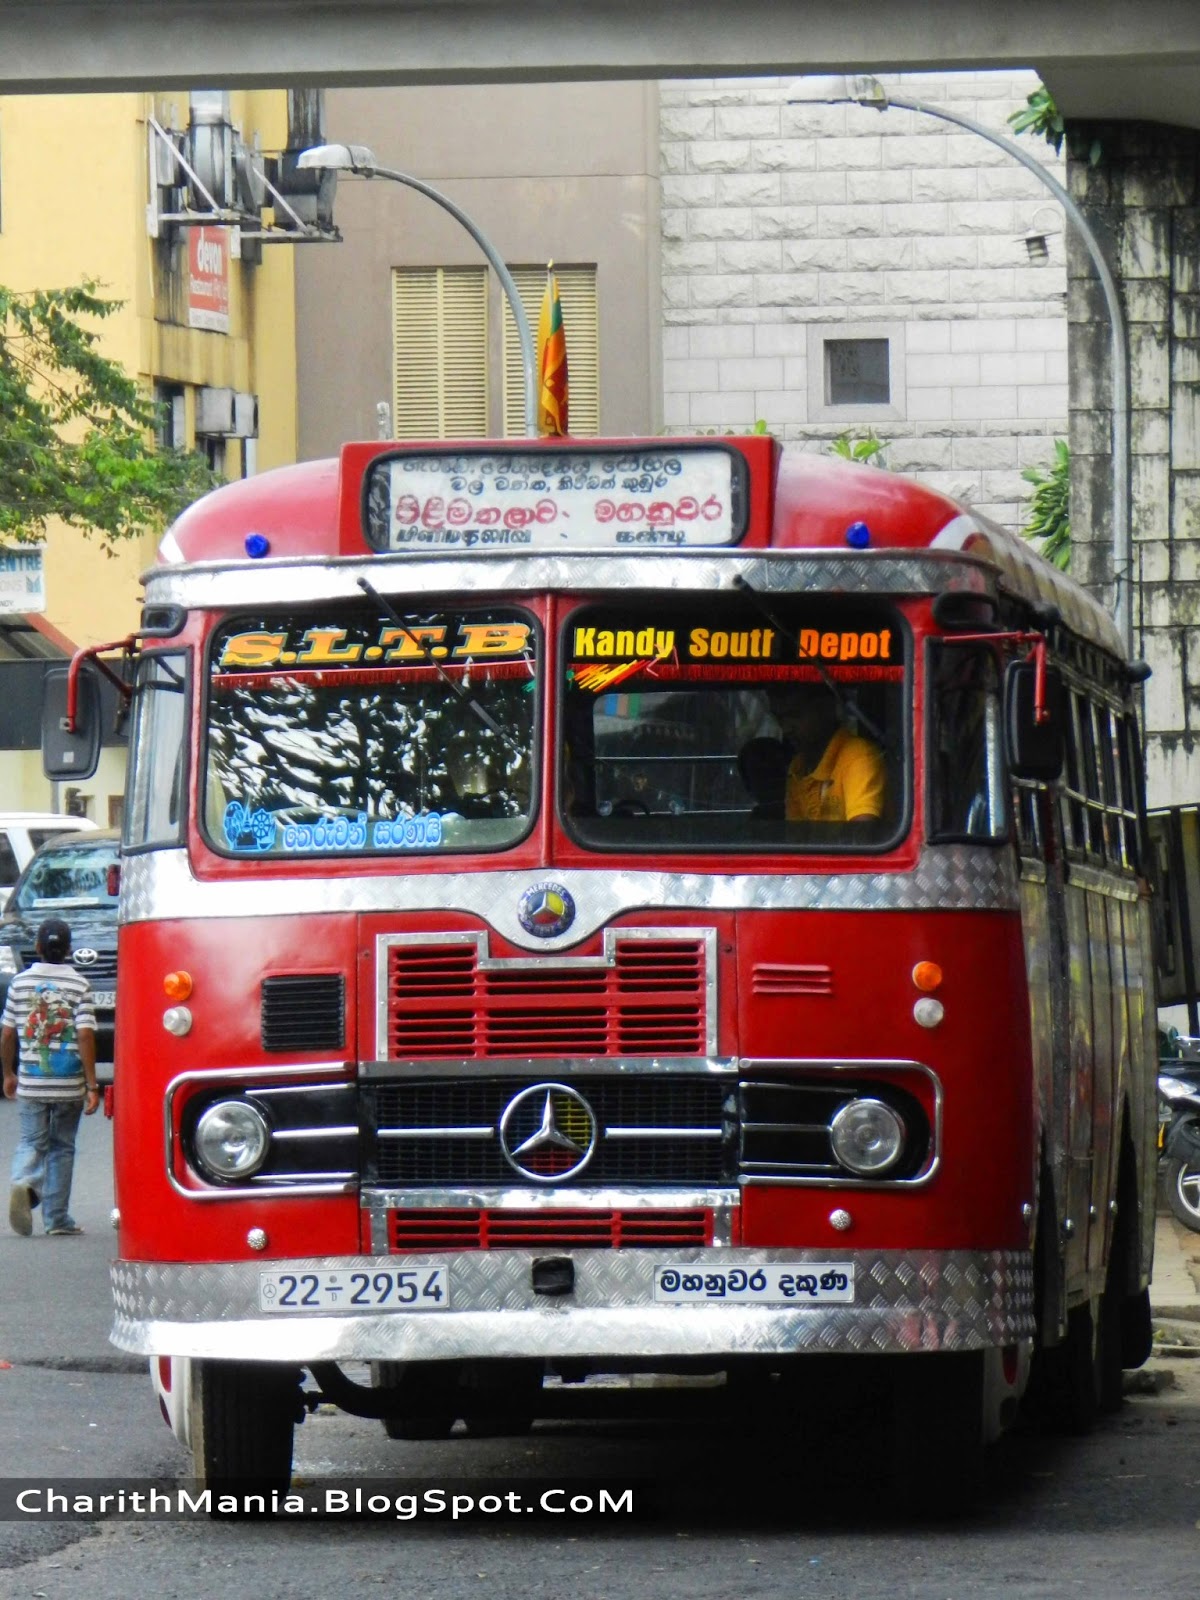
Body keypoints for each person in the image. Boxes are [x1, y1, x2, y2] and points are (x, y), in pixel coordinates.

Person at [2, 917, 100, 1237]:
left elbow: (6, 1035)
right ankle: (57, 1219)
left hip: (31, 1080)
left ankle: (24, 1182)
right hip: (68, 1084)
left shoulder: (19, 984)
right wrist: (92, 1085)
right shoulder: (79, 984)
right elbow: (85, 1036)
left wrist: (8, 1073)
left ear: (38, 948)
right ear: (70, 949)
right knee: (62, 1146)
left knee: (33, 1141)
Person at [768, 683, 886, 823]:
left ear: (826, 709)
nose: (786, 728)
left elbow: (862, 836)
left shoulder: (859, 757)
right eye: (780, 718)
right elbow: (796, 836)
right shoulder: (798, 766)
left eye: (795, 715)